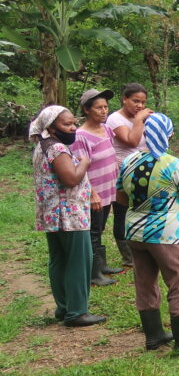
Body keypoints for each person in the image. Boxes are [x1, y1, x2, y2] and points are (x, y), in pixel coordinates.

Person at [116, 113, 179, 353]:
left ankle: (154, 335)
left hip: (135, 232)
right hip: (165, 234)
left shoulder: (129, 160)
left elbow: (120, 197)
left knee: (145, 281)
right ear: (168, 134)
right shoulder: (172, 164)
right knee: (178, 281)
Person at [30, 105, 106, 327]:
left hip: (53, 214)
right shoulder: (56, 148)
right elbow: (70, 179)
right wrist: (83, 163)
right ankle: (77, 312)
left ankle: (64, 307)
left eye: (74, 122)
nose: (73, 127)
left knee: (60, 260)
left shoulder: (41, 146)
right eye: (66, 124)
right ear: (51, 127)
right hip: (68, 214)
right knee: (78, 262)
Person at [72, 89, 122, 286]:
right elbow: (80, 168)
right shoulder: (80, 136)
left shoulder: (106, 129)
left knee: (99, 228)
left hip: (108, 189)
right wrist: (92, 193)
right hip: (94, 193)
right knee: (93, 231)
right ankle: (93, 273)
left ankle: (102, 266)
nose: (104, 111)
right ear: (87, 110)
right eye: (99, 108)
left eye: (106, 107)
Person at [106, 83, 152, 269]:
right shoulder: (115, 119)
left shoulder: (141, 118)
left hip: (142, 172)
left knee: (141, 210)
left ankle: (141, 248)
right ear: (124, 99)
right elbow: (132, 141)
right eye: (135, 101)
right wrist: (140, 120)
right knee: (122, 212)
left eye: (142, 102)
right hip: (121, 173)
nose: (139, 106)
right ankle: (127, 256)